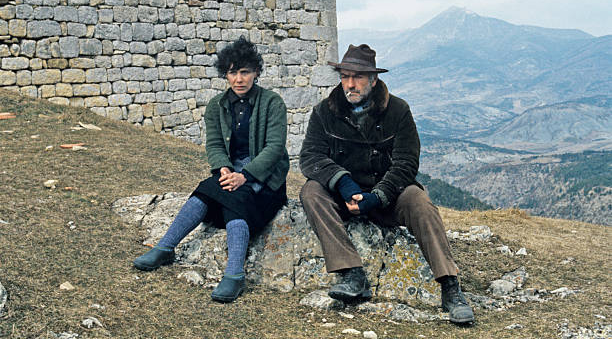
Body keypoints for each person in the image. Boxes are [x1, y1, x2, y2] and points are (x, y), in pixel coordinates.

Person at [299, 44, 475, 324]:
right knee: (311, 191)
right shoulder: (325, 112)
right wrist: (343, 182)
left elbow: (406, 163)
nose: (350, 84)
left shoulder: (398, 111)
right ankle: (351, 273)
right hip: (344, 198)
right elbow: (310, 156)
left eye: (357, 77)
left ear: (373, 79)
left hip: (387, 197)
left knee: (419, 201)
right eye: (345, 76)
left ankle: (450, 287)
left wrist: (378, 196)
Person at [133, 37, 289, 303]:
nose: (239, 79)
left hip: (265, 180)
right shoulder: (217, 105)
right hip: (230, 173)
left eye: (245, 72)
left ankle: (235, 274)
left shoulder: (272, 103)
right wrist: (225, 169)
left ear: (256, 73)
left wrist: (245, 176)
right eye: (232, 72)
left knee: (235, 200)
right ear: (225, 74)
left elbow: (274, 148)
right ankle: (165, 247)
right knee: (206, 191)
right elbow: (215, 144)